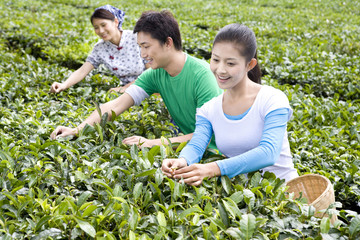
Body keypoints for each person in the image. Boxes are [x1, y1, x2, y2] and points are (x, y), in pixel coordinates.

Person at [50, 10, 223, 149]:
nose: (143, 55)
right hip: (188, 146)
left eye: (146, 47)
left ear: (168, 42)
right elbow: (115, 105)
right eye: (140, 47)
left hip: (218, 152)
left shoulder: (203, 76)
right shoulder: (155, 74)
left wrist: (150, 143)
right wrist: (77, 130)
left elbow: (207, 137)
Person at [162, 24, 299, 186]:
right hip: (247, 199)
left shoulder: (272, 99)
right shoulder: (209, 109)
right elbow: (197, 145)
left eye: (230, 64)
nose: (220, 70)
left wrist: (213, 168)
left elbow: (269, 153)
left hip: (288, 194)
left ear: (250, 65)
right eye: (215, 60)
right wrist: (182, 161)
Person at [50, 5, 146, 94]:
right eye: (96, 27)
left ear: (116, 22)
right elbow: (82, 71)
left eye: (104, 25)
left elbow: (153, 71)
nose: (101, 31)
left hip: (152, 85)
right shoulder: (100, 48)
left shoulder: (136, 38)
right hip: (131, 91)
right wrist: (63, 85)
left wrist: (125, 88)